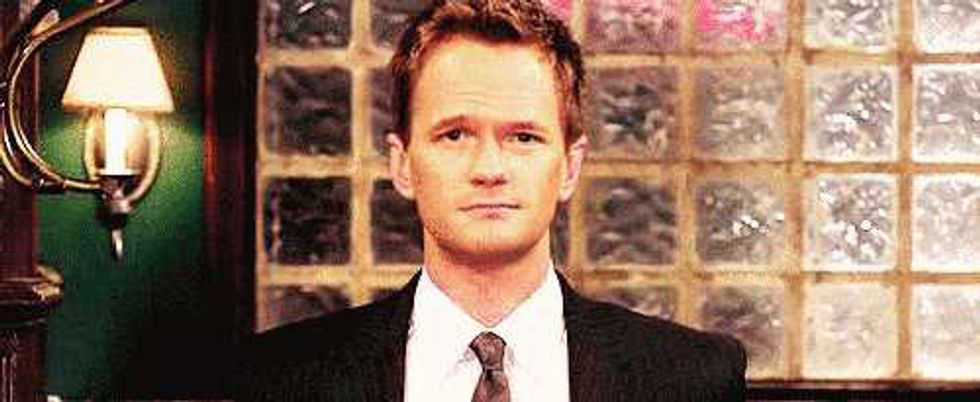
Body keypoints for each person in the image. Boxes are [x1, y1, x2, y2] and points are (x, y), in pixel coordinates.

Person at [238, 1, 746, 400]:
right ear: (402, 164)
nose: (489, 169)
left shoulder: (691, 377)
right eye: (455, 135)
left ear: (569, 167)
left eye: (523, 137)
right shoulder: (280, 377)